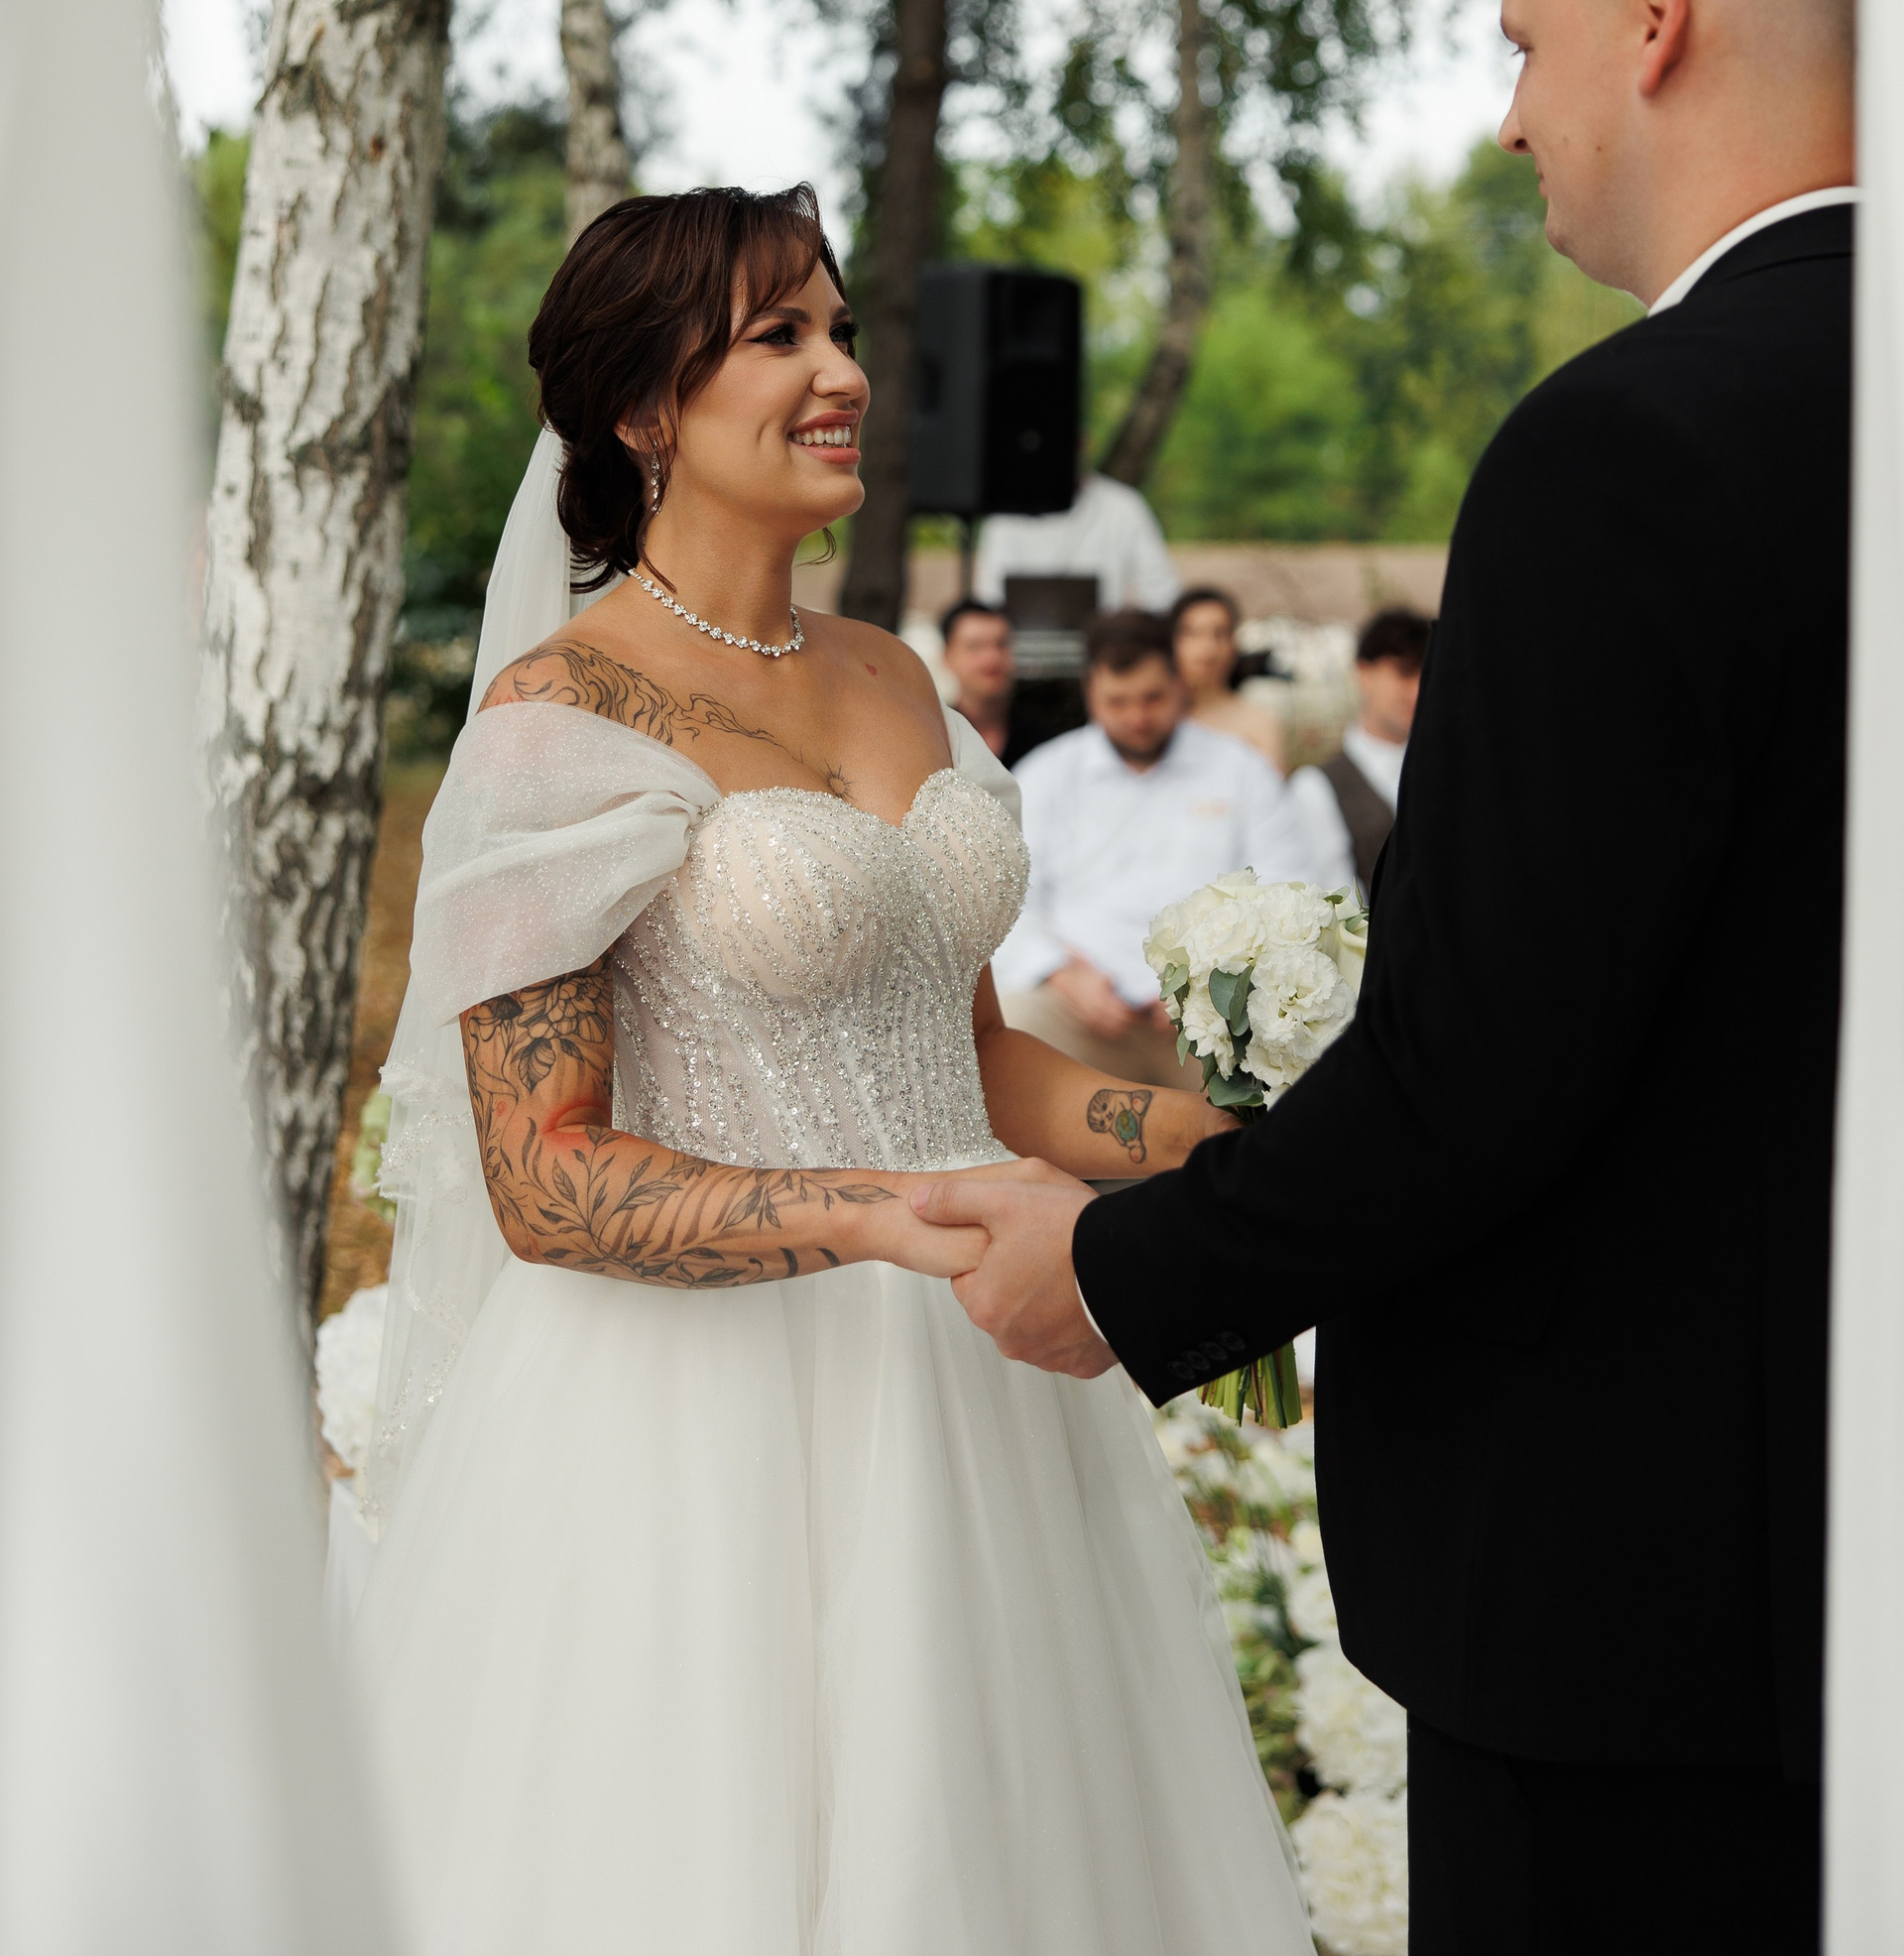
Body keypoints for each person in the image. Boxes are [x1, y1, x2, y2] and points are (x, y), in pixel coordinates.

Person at [917, 0, 1857, 1956]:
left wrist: (1131, 1272)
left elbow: (1491, 1060)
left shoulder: (1630, 452)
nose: (1512, 119)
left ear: (1655, 18)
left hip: (1653, 1606)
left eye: (1524, 43)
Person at [346, 184, 1311, 1956]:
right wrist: (881, 1215)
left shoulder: (898, 681)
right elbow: (545, 1179)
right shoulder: (560, 721)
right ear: (646, 407)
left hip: (986, 1375)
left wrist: (1214, 1140)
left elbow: (978, 1064)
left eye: (844, 331)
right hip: (695, 1430)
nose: (844, 373)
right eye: (779, 335)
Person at [993, 608, 1315, 1091]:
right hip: (1075, 1007)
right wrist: (1061, 974)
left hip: (1218, 1016)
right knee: (1009, 1025)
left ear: (1180, 684)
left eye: (1152, 698)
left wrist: (1211, 988)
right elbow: (1006, 902)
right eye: (1117, 701)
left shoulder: (1241, 770)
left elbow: (1287, 888)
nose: (1137, 718)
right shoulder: (1047, 775)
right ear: (1090, 692)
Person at [1285, 607, 1433, 896]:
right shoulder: (1317, 786)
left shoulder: (1453, 770)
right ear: (1364, 673)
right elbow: (1336, 902)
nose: (1417, 690)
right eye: (1405, 672)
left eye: (1426, 675)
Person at [973, 460, 1177, 614]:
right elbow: (991, 598)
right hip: (1020, 646)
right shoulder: (1004, 511)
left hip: (1105, 646)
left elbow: (1162, 595)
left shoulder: (1124, 505)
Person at [1170, 584, 1289, 774]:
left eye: (1219, 634)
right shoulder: (1156, 718)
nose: (1207, 647)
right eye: (1193, 633)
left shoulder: (1259, 722)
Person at [938, 593, 1038, 767]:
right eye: (975, 647)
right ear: (947, 656)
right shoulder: (934, 740)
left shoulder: (1042, 744)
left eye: (1001, 644)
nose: (991, 658)